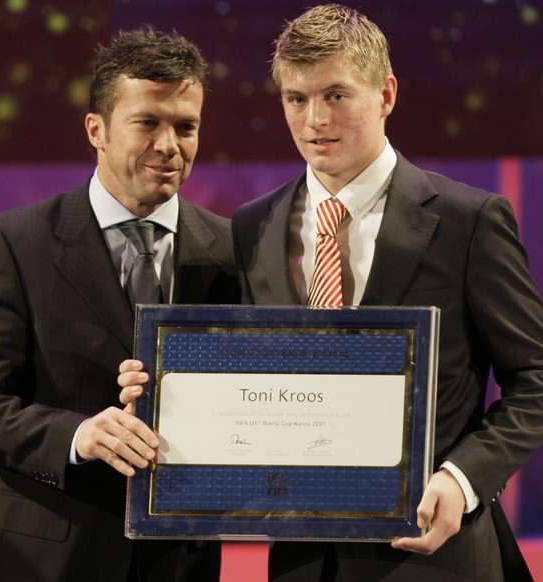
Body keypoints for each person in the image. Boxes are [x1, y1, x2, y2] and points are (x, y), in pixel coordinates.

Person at [119, 5, 543, 581]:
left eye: (337, 95)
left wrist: (462, 479)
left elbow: (535, 379)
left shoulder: (469, 220)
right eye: (297, 99)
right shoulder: (253, 225)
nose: (315, 118)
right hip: (301, 560)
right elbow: (246, 377)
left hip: (435, 553)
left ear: (386, 94)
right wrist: (163, 389)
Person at [0, 26, 239, 582]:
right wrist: (77, 435)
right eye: (147, 123)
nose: (169, 145)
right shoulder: (15, 242)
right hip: (42, 561)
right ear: (97, 129)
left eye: (186, 127)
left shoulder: (235, 250)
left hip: (181, 561)